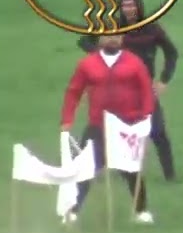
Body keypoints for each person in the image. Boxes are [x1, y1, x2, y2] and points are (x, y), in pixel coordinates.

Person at [77, 0, 179, 181]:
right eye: (124, 6)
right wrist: (100, 54)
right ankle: (81, 167)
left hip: (145, 89)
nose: (129, 10)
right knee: (99, 128)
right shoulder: (114, 26)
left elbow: (172, 52)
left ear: (139, 7)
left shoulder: (152, 28)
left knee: (157, 130)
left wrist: (164, 80)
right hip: (117, 89)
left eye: (132, 6)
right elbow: (84, 40)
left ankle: (170, 177)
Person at [59, 34, 155, 223]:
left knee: (131, 169)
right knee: (84, 167)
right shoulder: (87, 64)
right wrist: (67, 119)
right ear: (99, 38)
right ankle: (73, 210)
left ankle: (141, 210)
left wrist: (146, 118)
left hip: (128, 125)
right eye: (108, 36)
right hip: (98, 125)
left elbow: (146, 91)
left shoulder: (134, 62)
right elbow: (74, 92)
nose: (113, 39)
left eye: (117, 35)